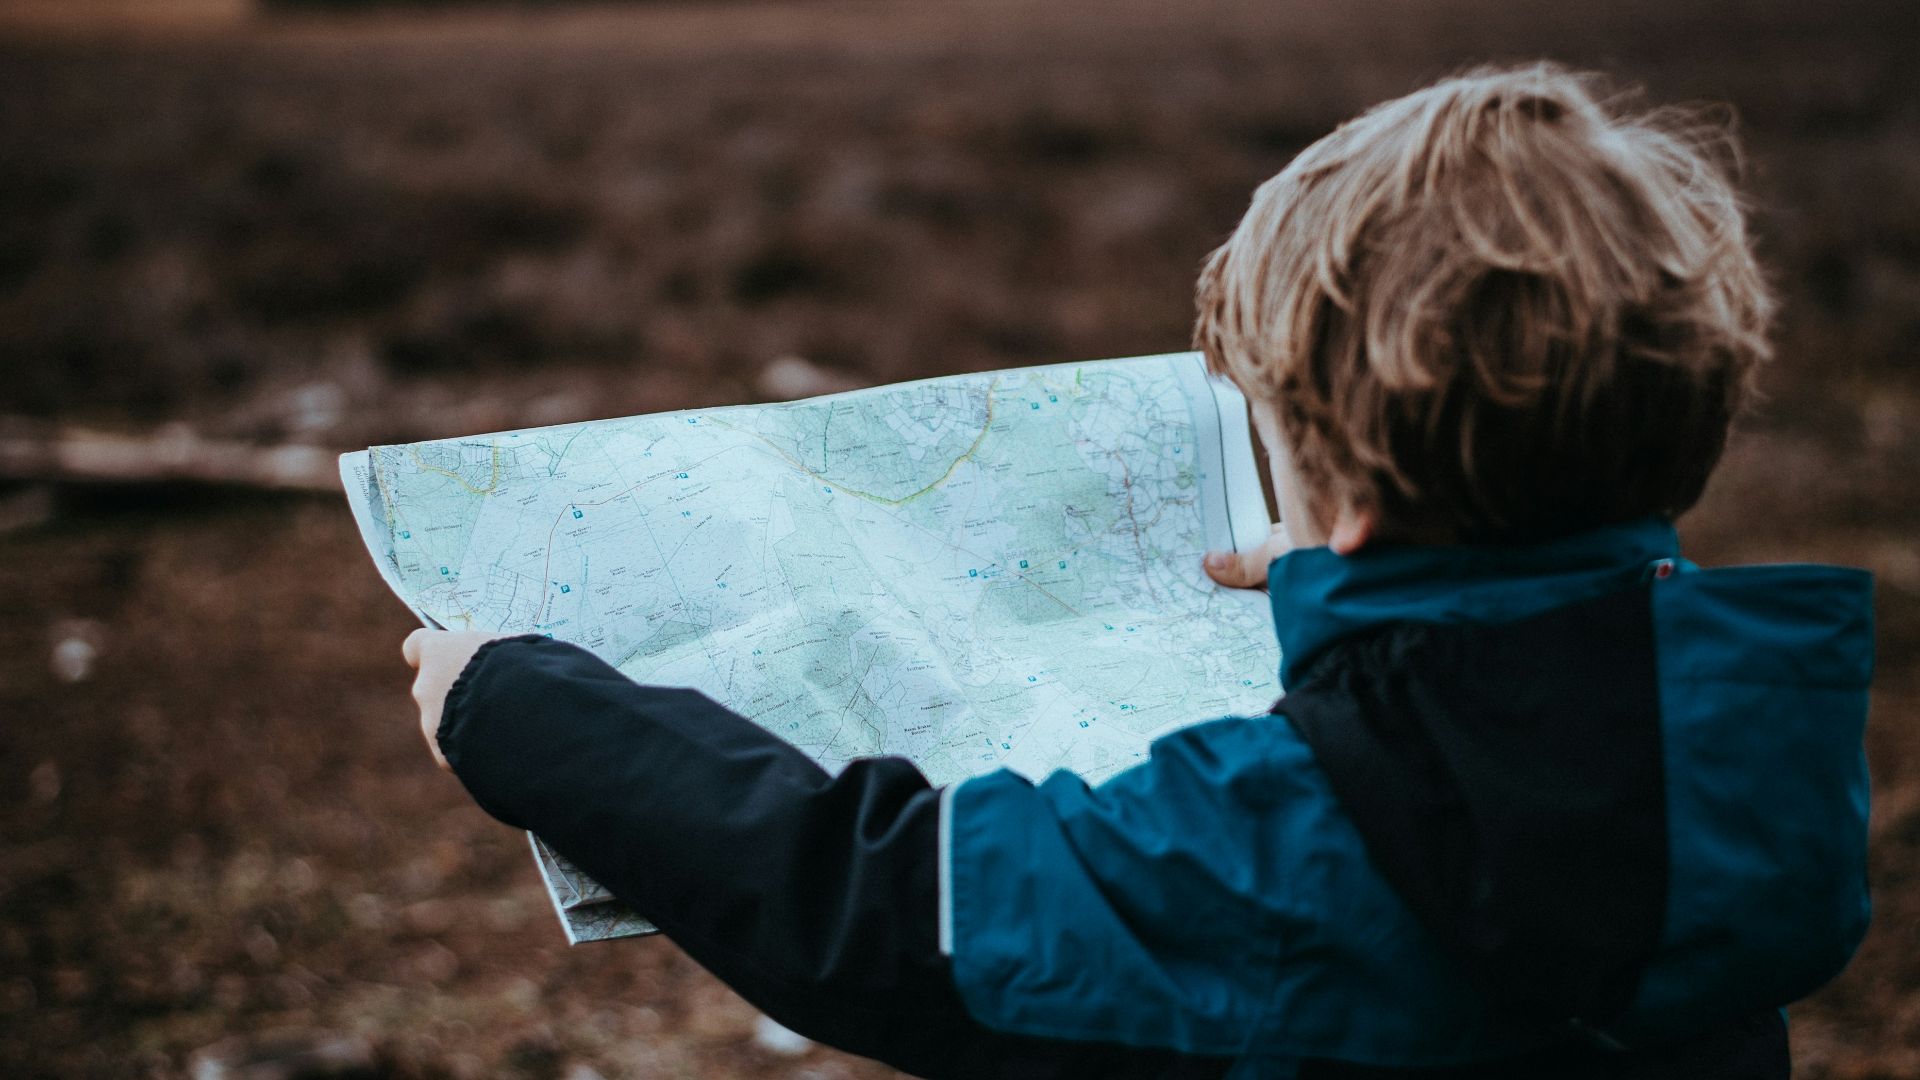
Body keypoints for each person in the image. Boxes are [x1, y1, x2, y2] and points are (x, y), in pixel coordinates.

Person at [400, 63, 1874, 1078]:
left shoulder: (1291, 836)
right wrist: (1356, 588)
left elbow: (891, 915)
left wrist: (523, 713)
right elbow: (1536, 683)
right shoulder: (1762, 749)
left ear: (1346, 492)